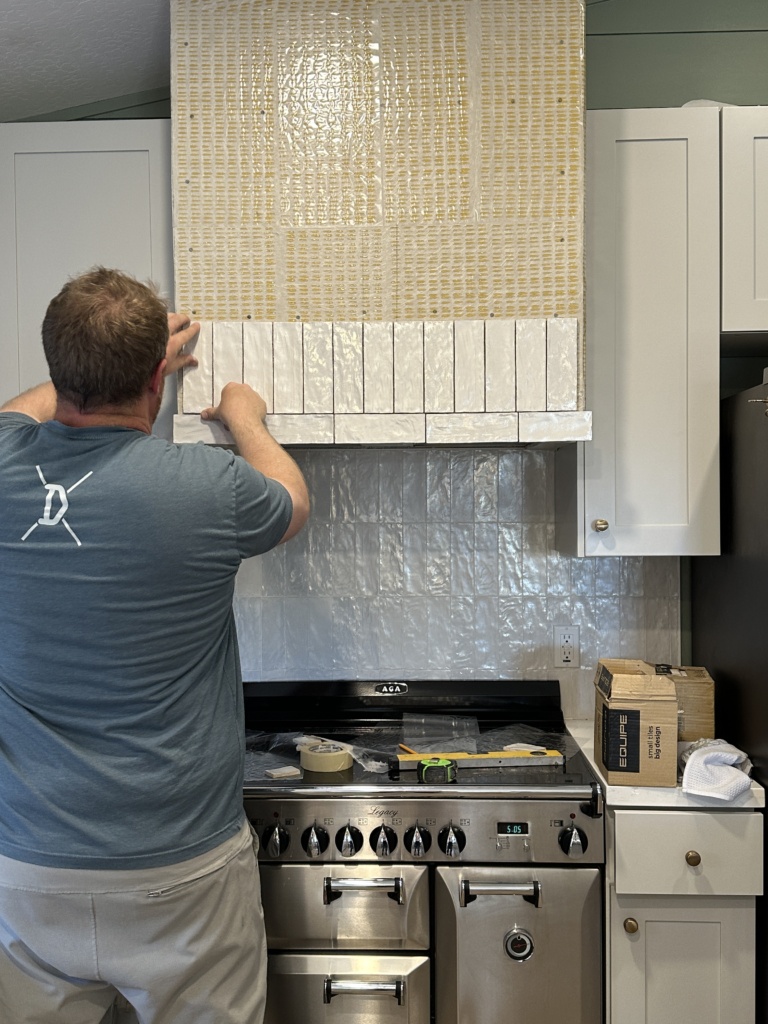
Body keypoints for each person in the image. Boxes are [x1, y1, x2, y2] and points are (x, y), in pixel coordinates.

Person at [0, 267, 310, 1024]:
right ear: (158, 378)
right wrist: (247, 418)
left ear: (56, 368)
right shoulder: (209, 487)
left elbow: (15, 413)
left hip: (30, 870)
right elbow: (294, 503)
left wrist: (94, 363)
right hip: (184, 871)